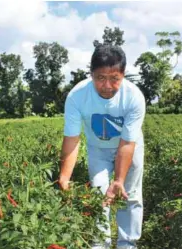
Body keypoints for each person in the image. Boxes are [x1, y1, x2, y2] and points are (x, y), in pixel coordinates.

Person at [58, 44, 146, 249]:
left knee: (129, 195)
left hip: (129, 147)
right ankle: (100, 244)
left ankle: (128, 244)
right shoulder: (77, 96)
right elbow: (72, 138)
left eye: (114, 78)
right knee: (98, 196)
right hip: (98, 149)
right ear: (91, 75)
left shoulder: (134, 97)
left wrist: (119, 179)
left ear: (123, 75)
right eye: (100, 78)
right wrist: (64, 177)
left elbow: (127, 143)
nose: (107, 85)